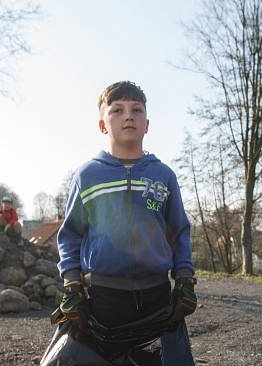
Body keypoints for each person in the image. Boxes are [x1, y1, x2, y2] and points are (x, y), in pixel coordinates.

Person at [53, 81, 196, 329]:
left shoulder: (164, 175)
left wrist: (184, 278)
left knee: (161, 364)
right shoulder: (87, 176)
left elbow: (179, 231)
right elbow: (70, 234)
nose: (128, 116)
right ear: (102, 125)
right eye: (117, 110)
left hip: (157, 293)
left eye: (137, 110)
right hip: (104, 295)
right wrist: (72, 282)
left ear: (147, 125)